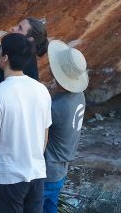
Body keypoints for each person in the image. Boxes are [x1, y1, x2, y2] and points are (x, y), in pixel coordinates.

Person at [0, 33, 52, 213]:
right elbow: (44, 137)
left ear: (5, 58)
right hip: (36, 174)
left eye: (0, 50)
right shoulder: (41, 91)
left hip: (8, 178)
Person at [43, 41, 88, 213]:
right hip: (61, 168)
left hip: (48, 169)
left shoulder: (56, 107)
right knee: (50, 207)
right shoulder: (79, 95)